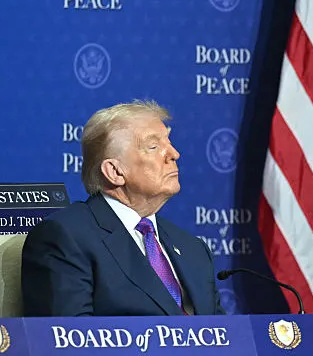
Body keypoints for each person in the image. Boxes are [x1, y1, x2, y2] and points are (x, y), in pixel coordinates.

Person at [22, 100, 223, 316]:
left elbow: (226, 339)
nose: (174, 154)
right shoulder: (66, 238)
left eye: (169, 142)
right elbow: (69, 341)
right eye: (153, 147)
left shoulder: (193, 249)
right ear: (115, 172)